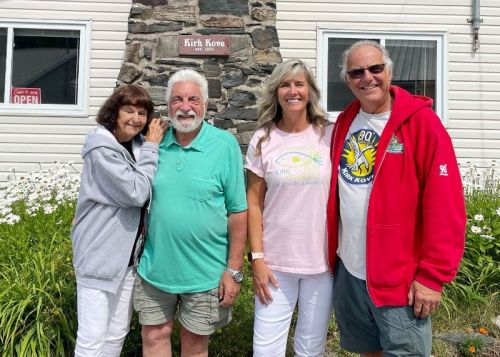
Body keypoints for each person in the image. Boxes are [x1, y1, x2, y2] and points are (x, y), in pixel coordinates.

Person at [326, 40, 466, 356]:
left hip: (399, 277)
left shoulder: (422, 123)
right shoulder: (345, 122)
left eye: (375, 68)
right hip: (351, 270)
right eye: (357, 72)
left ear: (390, 71)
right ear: (347, 80)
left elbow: (447, 206)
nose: (368, 77)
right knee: (367, 351)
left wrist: (432, 277)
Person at [133, 69, 248, 357]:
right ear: (168, 105)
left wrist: (233, 271)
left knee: (195, 343)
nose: (185, 107)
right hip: (155, 268)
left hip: (206, 273)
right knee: (155, 334)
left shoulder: (224, 145)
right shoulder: (153, 143)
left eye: (193, 99)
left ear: (206, 105)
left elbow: (238, 211)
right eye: (177, 100)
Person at [245, 59, 334, 357]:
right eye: (285, 84)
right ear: (276, 92)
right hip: (275, 265)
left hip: (322, 264)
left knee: (311, 349)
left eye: (299, 84)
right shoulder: (262, 139)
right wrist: (257, 257)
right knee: (266, 349)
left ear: (310, 91)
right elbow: (254, 203)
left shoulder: (330, 136)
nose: (292, 90)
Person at [71, 84, 167, 356]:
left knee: (116, 335)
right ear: (114, 112)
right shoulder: (101, 149)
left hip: (127, 261)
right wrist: (151, 148)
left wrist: (149, 146)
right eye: (128, 110)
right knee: (91, 339)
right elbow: (136, 192)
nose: (135, 118)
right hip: (99, 259)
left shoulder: (136, 146)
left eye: (142, 113)